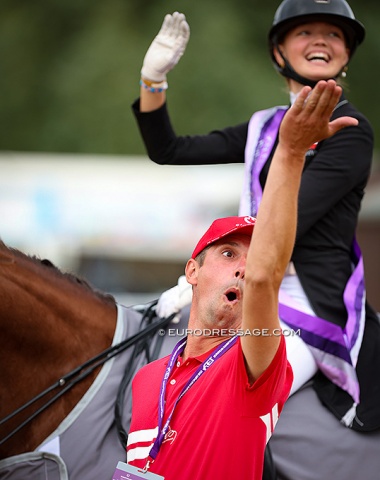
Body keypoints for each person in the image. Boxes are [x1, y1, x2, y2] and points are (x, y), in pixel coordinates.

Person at [131, 0, 380, 439]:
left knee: (234, 397)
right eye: (305, 31)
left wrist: (209, 275)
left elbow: (289, 221)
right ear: (279, 53)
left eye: (334, 34)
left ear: (344, 55)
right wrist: (153, 80)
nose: (321, 39)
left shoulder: (349, 128)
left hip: (305, 307)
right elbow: (168, 149)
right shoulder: (265, 126)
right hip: (246, 282)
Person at [121, 82, 357, 480]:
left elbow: (264, 276)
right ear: (191, 272)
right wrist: (152, 84)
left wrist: (292, 151)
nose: (245, 269)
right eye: (229, 254)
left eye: (251, 260)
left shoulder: (252, 361)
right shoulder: (147, 379)